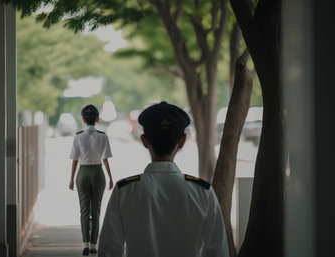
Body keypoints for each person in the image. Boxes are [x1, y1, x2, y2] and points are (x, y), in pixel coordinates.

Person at [98, 101, 229, 257]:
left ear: (144, 141)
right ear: (181, 141)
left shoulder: (124, 190)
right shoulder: (203, 191)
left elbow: (109, 251)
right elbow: (217, 251)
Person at [69, 104, 114, 255]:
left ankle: (85, 244)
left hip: (82, 173)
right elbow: (106, 159)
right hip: (98, 172)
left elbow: (75, 160)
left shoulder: (78, 136)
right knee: (96, 209)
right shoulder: (103, 136)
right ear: (97, 118)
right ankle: (94, 244)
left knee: (84, 210)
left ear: (83, 119)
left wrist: (71, 179)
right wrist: (110, 178)